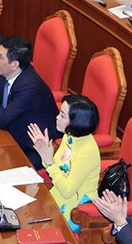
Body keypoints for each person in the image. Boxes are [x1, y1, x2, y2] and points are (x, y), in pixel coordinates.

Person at [0, 37, 59, 169]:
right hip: (9, 132)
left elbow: (2, 119)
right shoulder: (7, 73)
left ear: (14, 64)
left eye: (0, 57)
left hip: (32, 147)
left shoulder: (29, 86)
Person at [29, 95, 100, 224]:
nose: (57, 117)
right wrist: (44, 153)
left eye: (62, 115)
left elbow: (68, 191)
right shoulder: (70, 136)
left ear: (76, 121)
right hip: (58, 193)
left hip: (75, 208)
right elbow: (57, 166)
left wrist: (49, 162)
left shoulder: (87, 151)